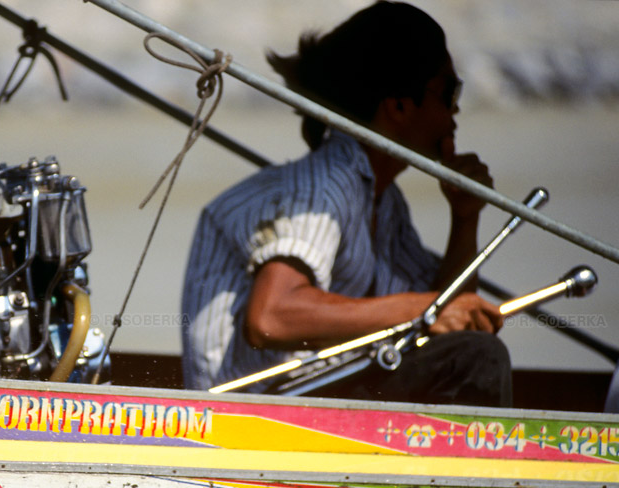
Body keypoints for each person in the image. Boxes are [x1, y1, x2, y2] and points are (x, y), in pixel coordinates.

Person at [180, 1, 513, 406]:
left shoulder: (384, 200)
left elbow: (453, 318)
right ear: (399, 105)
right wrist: (426, 307)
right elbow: (271, 317)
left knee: (470, 349)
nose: (455, 111)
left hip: (315, 396)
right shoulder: (330, 180)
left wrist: (464, 220)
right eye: (448, 92)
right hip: (256, 412)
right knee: (478, 359)